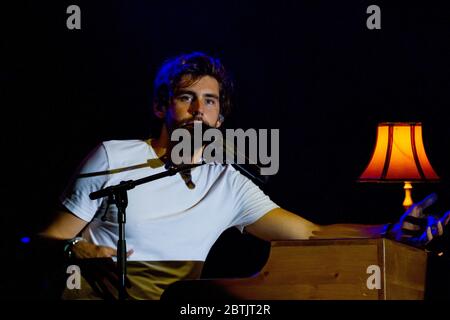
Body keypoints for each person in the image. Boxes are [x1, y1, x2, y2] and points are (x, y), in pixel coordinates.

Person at [39, 52, 450, 300]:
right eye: (186, 98)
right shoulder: (114, 155)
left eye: (210, 101)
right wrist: (77, 249)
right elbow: (45, 239)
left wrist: (388, 231)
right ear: (161, 107)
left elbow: (309, 234)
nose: (199, 109)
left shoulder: (228, 183)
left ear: (220, 118)